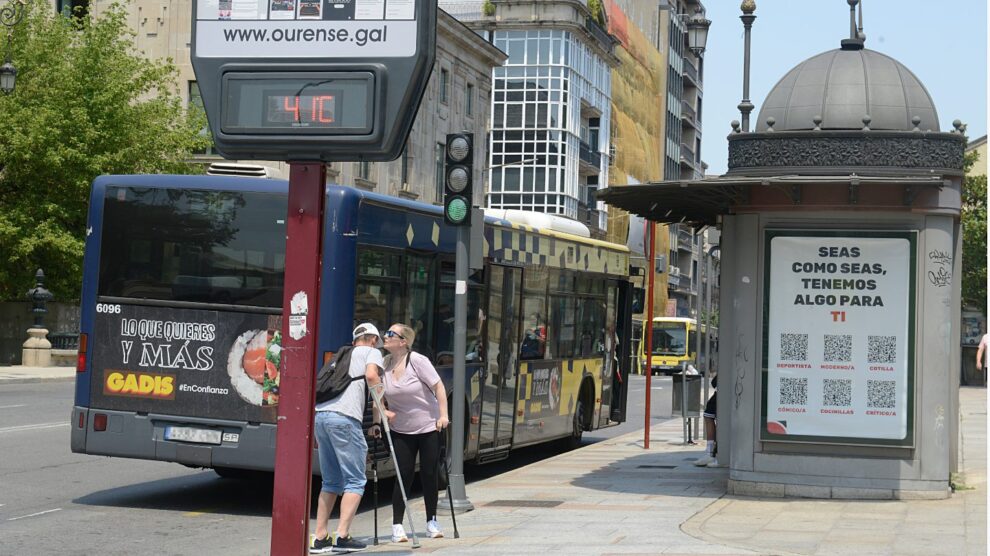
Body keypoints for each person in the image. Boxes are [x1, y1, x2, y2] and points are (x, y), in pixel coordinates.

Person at [310, 323, 385, 554]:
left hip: (321, 416)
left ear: (355, 339)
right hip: (344, 419)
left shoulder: (341, 354)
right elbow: (372, 376)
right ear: (372, 339)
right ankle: (342, 537)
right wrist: (380, 409)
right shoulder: (372, 352)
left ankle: (320, 538)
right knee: (355, 480)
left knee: (331, 481)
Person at [381, 323, 450, 543]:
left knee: (429, 474)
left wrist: (443, 416)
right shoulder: (384, 364)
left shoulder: (417, 361)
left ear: (403, 341)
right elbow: (379, 397)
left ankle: (432, 521)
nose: (385, 336)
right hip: (401, 429)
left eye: (391, 334)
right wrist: (378, 419)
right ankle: (397, 525)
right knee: (403, 475)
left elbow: (439, 387)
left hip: (428, 426)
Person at [694, 373, 718, 468]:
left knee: (714, 417)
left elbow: (714, 382)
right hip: (720, 394)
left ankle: (712, 451)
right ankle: (711, 451)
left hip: (722, 394)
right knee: (709, 416)